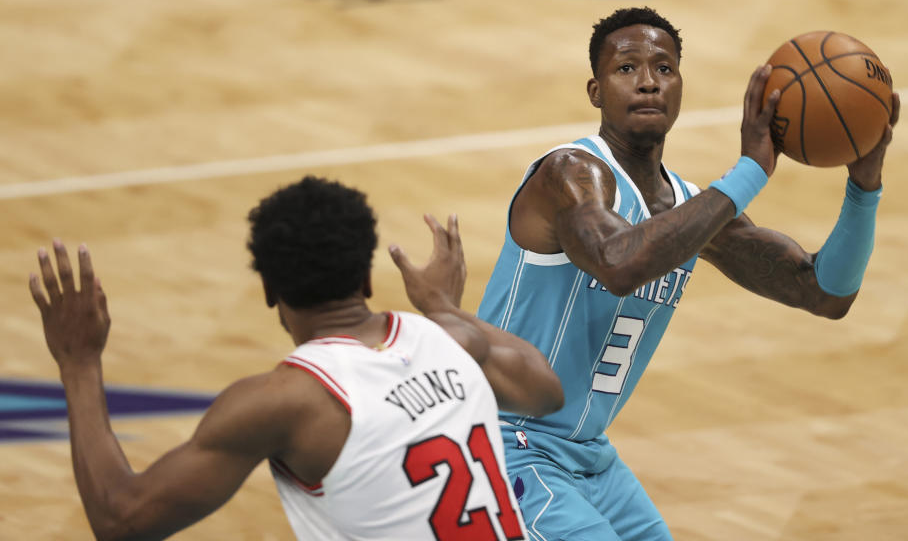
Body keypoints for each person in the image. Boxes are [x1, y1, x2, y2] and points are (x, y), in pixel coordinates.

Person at [476, 6, 899, 540]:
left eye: (664, 68)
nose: (648, 81)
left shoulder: (692, 210)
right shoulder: (569, 174)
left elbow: (824, 292)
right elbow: (618, 262)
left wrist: (864, 188)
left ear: (680, 87)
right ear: (595, 90)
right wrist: (750, 171)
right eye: (626, 68)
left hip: (588, 457)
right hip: (510, 445)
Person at [28, 176, 563, 541]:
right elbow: (546, 392)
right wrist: (446, 306)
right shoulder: (449, 339)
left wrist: (80, 363)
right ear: (365, 277)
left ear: (268, 290)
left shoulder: (285, 402)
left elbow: (122, 519)